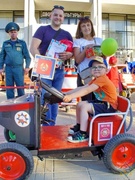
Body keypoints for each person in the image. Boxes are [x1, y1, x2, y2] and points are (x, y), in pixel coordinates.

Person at [30, 5, 73, 126]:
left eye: (60, 15)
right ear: (50, 15)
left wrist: (69, 55)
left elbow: (72, 53)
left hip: (59, 70)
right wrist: (44, 62)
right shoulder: (42, 30)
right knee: (45, 97)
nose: (57, 17)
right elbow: (33, 48)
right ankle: (46, 125)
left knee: (56, 98)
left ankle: (52, 124)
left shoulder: (67, 34)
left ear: (63, 18)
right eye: (55, 15)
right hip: (45, 69)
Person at [63, 56, 118, 143]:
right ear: (90, 70)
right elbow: (82, 88)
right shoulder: (95, 80)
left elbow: (87, 90)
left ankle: (83, 134)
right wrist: (67, 93)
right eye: (94, 67)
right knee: (80, 104)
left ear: (106, 70)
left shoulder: (102, 79)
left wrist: (71, 96)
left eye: (100, 67)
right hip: (102, 102)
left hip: (109, 105)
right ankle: (79, 126)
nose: (97, 69)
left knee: (85, 107)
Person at [73, 16, 103, 101]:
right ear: (80, 29)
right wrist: (86, 49)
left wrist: (97, 50)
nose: (86, 28)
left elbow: (104, 57)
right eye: (83, 26)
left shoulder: (99, 40)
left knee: (100, 101)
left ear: (91, 26)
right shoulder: (78, 42)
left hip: (99, 75)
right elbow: (78, 60)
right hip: (85, 76)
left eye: (88, 25)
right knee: (87, 102)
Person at [0, 22, 31, 99]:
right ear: (9, 33)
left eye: (15, 32)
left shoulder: (22, 43)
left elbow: (27, 57)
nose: (13, 34)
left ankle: (21, 105)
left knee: (20, 87)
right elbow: (2, 56)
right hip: (8, 69)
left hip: (19, 69)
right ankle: (10, 106)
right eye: (11, 32)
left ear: (17, 33)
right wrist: (1, 67)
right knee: (9, 87)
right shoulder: (5, 44)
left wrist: (27, 67)